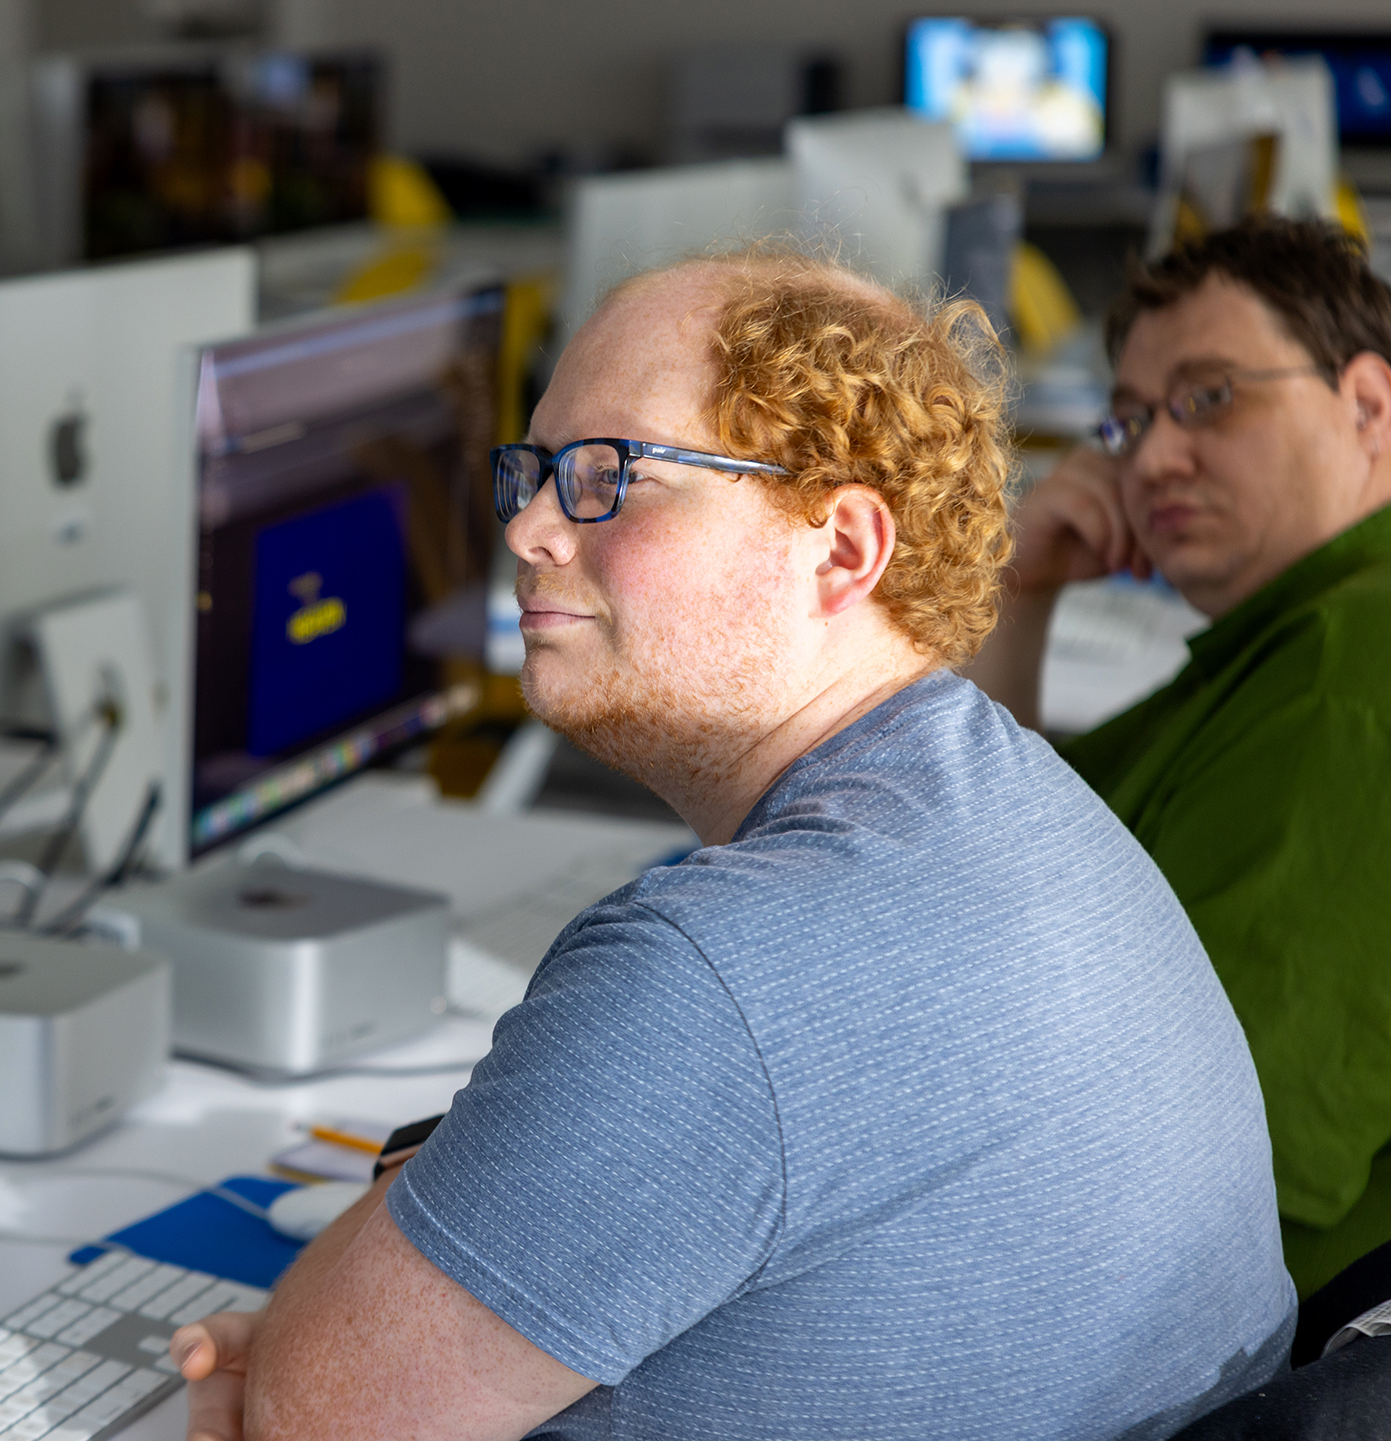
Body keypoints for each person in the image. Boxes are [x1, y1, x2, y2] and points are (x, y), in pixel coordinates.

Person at [168, 252, 1293, 1440]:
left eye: (610, 475)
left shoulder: (716, 977)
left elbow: (314, 1416)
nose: (532, 528)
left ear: (841, 550)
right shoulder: (1021, 805)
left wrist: (328, 1317)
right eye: (535, 471)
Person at [964, 217, 1391, 1300]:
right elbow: (979, 855)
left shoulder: (1354, 666)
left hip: (1197, 1340)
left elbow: (1205, 1162)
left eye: (1210, 397)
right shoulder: (1285, 639)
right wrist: (1019, 592)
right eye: (1130, 420)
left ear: (1369, 408)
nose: (1152, 457)